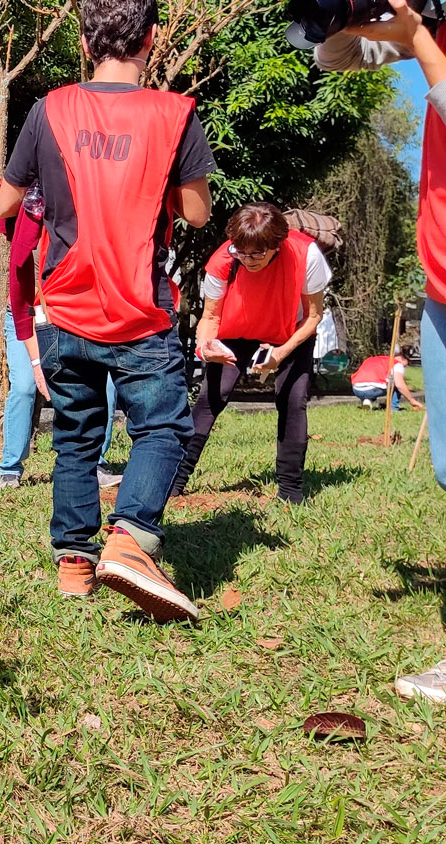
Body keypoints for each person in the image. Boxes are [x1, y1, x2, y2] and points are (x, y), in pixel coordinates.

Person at [0, 0, 215, 620]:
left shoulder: (49, 109)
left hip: (65, 304)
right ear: (152, 36)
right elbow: (197, 214)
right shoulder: (175, 115)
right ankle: (131, 539)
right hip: (141, 307)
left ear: (86, 39)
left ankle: (74, 564)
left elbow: (9, 201)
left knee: (77, 437)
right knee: (164, 428)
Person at [315, 0, 446, 701]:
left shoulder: (433, 39)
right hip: (441, 287)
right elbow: (327, 56)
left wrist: (419, 38)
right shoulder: (432, 26)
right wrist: (353, 16)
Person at [170, 203, 331, 504]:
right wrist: (207, 347)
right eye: (241, 252)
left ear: (277, 246)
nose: (247, 259)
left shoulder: (305, 255)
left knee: (292, 400)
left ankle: (291, 491)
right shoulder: (223, 260)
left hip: (289, 332)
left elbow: (313, 316)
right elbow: (210, 317)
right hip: (235, 330)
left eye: (257, 253)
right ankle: (174, 483)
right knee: (210, 399)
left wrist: (280, 354)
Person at [0, 183, 123, 491]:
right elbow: (22, 303)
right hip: (28, 316)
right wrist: (38, 362)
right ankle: (10, 468)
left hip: (74, 318)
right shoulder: (29, 229)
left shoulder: (88, 227)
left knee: (105, 387)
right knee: (26, 387)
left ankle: (96, 463)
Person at [349, 350, 421, 410]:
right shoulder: (396, 363)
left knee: (377, 383)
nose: (404, 368)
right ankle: (393, 407)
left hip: (356, 389)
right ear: (403, 359)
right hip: (372, 389)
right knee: (396, 382)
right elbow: (399, 385)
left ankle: (367, 401)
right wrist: (412, 400)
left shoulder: (373, 359)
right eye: (405, 366)